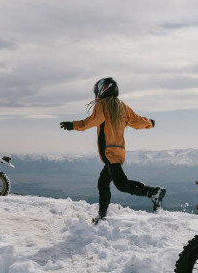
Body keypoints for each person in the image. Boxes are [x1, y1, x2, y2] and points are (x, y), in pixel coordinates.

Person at [60, 77, 166, 223]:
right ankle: (102, 216)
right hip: (118, 151)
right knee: (103, 183)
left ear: (102, 90)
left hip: (109, 153)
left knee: (122, 185)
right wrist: (149, 123)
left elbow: (92, 121)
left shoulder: (103, 105)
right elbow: (136, 120)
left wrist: (73, 125)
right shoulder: (121, 106)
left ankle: (153, 192)